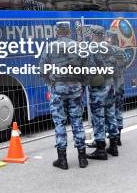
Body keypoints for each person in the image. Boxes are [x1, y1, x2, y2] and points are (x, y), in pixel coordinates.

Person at [39, 21, 87, 170]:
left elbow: (42, 69)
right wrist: (82, 85)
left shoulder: (50, 47)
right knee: (77, 122)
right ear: (69, 31)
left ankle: (63, 159)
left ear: (57, 31)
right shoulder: (78, 47)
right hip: (75, 88)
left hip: (58, 89)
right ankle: (82, 158)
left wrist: (51, 84)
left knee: (59, 123)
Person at [85, 26, 119, 160]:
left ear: (93, 35)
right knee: (111, 114)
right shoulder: (109, 47)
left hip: (98, 86)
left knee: (98, 117)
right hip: (110, 84)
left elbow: (88, 67)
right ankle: (113, 146)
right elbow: (116, 66)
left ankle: (100, 149)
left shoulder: (91, 48)